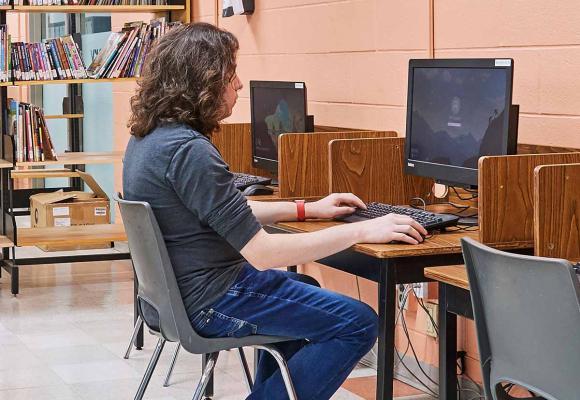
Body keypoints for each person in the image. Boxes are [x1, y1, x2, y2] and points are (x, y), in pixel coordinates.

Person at [123, 22, 427, 400]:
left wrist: (307, 209)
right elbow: (264, 255)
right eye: (230, 75)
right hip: (212, 300)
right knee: (358, 323)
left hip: (177, 298)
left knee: (306, 288)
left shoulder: (150, 139)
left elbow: (224, 208)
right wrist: (362, 230)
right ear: (203, 82)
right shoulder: (190, 150)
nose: (237, 85)